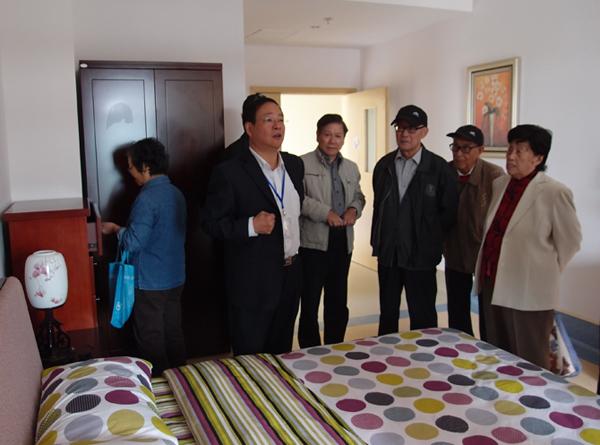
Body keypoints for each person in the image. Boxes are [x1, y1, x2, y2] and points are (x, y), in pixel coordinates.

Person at [201, 94, 304, 355]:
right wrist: (250, 226)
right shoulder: (230, 171)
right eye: (269, 120)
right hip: (252, 281)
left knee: (282, 352)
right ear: (249, 128)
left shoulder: (294, 165)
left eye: (281, 119)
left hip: (290, 274)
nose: (278, 125)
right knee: (251, 356)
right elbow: (210, 223)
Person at [474, 124, 581, 368]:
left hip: (528, 292)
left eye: (520, 150)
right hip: (492, 283)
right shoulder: (500, 184)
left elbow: (571, 242)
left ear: (538, 158)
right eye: (509, 149)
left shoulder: (554, 192)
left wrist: (540, 273)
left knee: (528, 358)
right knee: (495, 352)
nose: (511, 156)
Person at [102, 137, 187, 375]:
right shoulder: (176, 194)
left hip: (150, 282)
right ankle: (182, 382)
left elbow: (134, 242)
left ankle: (158, 386)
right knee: (173, 333)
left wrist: (116, 230)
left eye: (131, 166)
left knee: (150, 338)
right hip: (175, 277)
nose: (129, 172)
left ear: (146, 167)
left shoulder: (147, 199)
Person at [371, 104, 458, 335]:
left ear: (424, 132)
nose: (404, 134)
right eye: (400, 128)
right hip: (389, 255)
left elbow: (448, 214)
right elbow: (379, 208)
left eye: (411, 129)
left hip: (421, 257)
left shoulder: (439, 169)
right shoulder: (384, 165)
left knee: (423, 316)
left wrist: (430, 242)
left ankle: (423, 355)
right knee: (387, 314)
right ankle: (385, 353)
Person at [298, 114, 366, 347]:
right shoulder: (302, 164)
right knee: (310, 303)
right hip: (312, 244)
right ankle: (310, 351)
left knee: (337, 302)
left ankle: (335, 348)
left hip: (342, 242)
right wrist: (325, 212)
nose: (332, 140)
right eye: (327, 134)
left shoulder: (351, 167)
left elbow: (359, 196)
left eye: (338, 135)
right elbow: (297, 199)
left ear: (344, 138)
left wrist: (354, 209)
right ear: (318, 135)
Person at [443, 125, 503, 336]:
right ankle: (460, 345)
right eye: (455, 147)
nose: (459, 153)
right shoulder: (445, 172)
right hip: (454, 251)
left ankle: (488, 348)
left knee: (488, 311)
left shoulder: (494, 176)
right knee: (457, 308)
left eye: (466, 148)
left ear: (481, 150)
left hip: (484, 255)